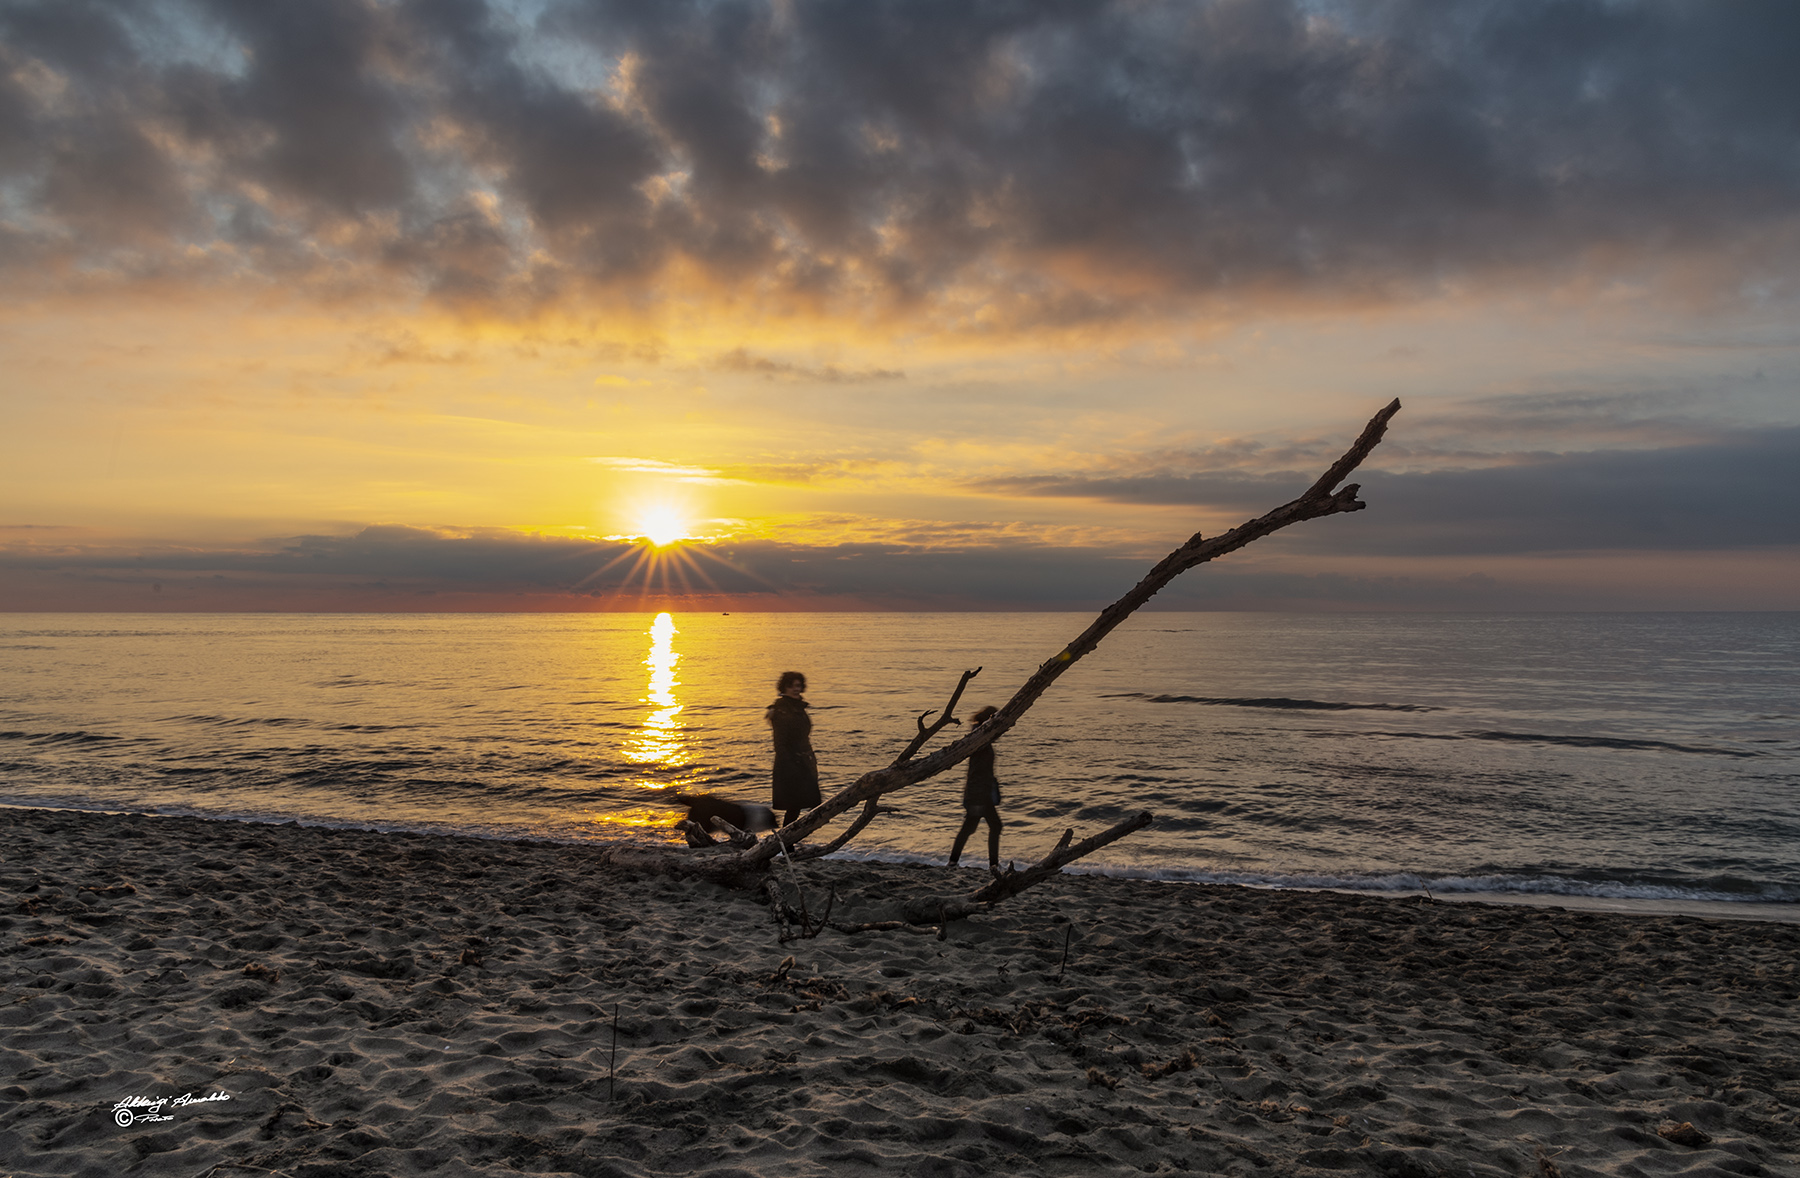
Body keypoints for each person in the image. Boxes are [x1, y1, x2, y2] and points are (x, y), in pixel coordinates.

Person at [948, 705, 1003, 874]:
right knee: (994, 826)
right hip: (979, 793)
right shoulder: (979, 741)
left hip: (979, 792)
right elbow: (978, 771)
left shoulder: (979, 739)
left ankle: (953, 862)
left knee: (970, 828)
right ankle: (993, 865)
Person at [767, 671, 820, 827]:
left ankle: (792, 838)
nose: (795, 689)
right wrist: (789, 765)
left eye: (798, 685)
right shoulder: (781, 710)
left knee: (812, 802)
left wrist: (810, 758)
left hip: (805, 760)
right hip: (790, 763)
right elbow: (779, 743)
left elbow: (804, 736)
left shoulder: (799, 707)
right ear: (784, 687)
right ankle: (787, 840)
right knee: (795, 805)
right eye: (791, 686)